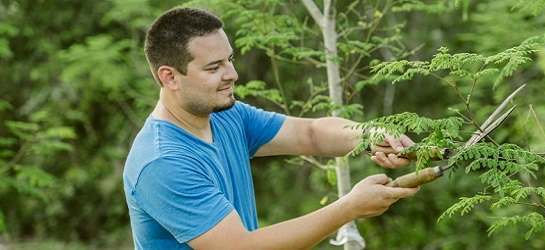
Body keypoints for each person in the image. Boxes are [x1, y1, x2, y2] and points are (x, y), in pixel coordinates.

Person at [123, 7, 420, 250]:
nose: (232, 74)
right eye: (214, 68)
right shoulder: (162, 162)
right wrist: (348, 209)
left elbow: (310, 134)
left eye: (230, 60)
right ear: (170, 77)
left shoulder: (227, 116)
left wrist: (370, 136)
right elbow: (240, 248)